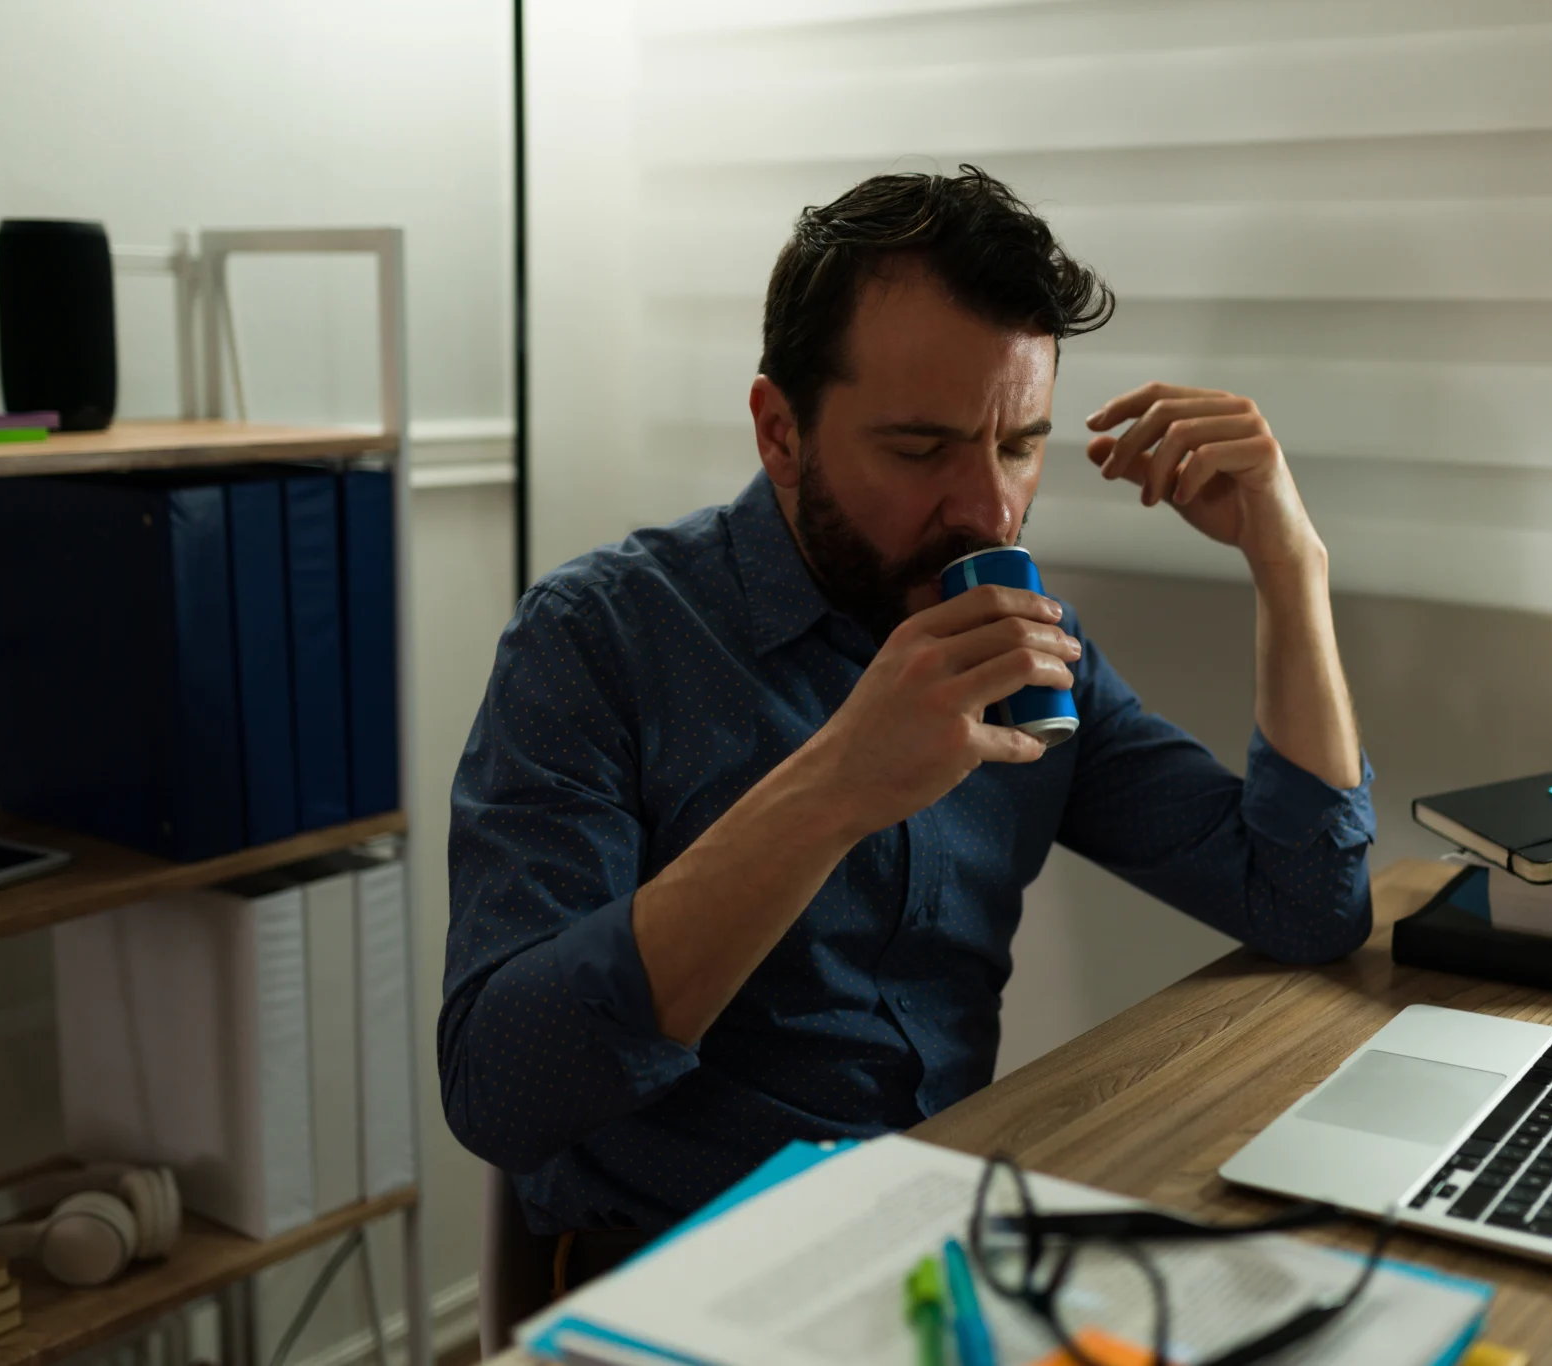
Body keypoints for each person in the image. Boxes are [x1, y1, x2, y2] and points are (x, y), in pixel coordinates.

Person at [440, 167, 1374, 1285]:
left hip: (935, 1246)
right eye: (920, 450)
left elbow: (1306, 901)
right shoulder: (596, 640)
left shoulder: (1023, 641)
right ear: (778, 431)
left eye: (1019, 444)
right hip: (674, 1277)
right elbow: (502, 1088)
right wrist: (835, 786)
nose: (984, 508)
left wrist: (1289, 563)